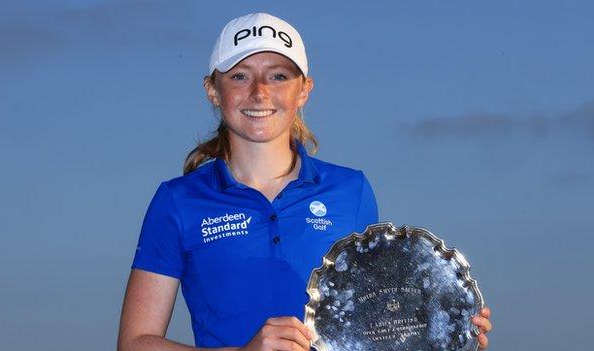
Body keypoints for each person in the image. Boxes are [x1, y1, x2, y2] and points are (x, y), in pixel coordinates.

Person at [117, 12, 493, 351]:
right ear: (213, 90)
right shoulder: (177, 201)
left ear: (304, 90)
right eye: (239, 76)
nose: (259, 92)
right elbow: (134, 343)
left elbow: (377, 323)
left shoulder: (351, 190)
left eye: (278, 76)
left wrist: (446, 327)